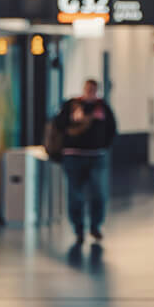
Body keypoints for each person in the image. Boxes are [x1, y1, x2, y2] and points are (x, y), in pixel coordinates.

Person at [53, 79, 117, 245]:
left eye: (93, 90)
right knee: (75, 194)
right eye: (88, 89)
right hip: (73, 155)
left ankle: (95, 226)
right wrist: (73, 119)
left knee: (98, 193)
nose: (90, 93)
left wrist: (103, 145)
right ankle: (78, 227)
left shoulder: (102, 108)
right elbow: (58, 124)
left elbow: (112, 128)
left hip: (96, 155)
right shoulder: (72, 105)